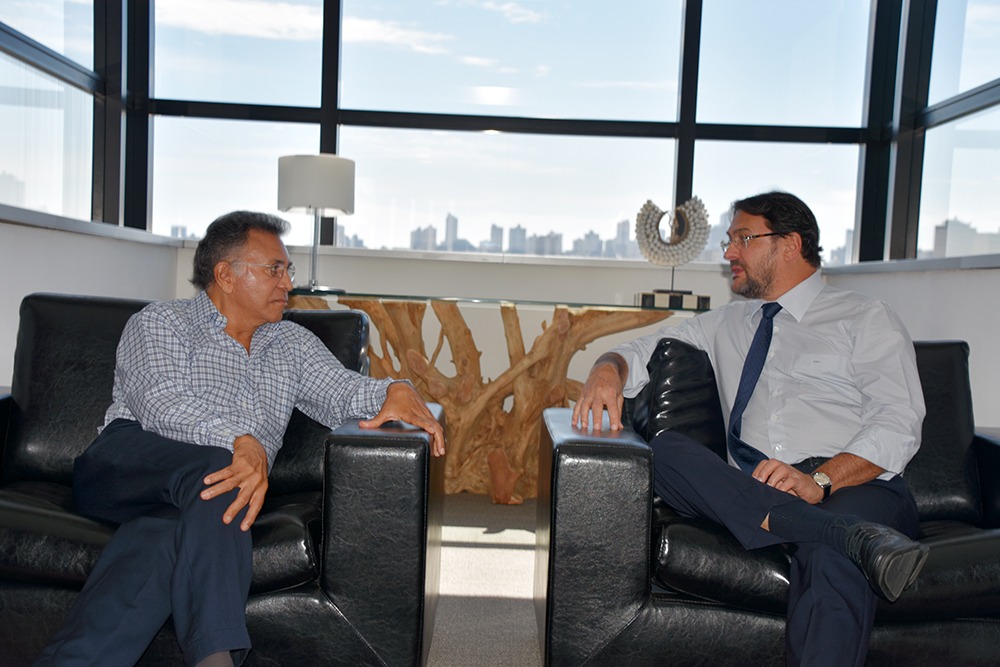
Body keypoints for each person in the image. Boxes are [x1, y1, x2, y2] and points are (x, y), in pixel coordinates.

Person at [34, 211, 445, 667]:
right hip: (128, 463)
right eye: (275, 269)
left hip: (199, 501)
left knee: (161, 540)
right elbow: (159, 403)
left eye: (287, 269)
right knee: (222, 468)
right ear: (225, 275)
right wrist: (240, 440)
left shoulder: (291, 343)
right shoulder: (162, 322)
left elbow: (341, 391)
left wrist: (394, 389)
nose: (287, 282)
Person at [572, 191, 928, 667]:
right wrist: (607, 367)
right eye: (728, 239)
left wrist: (820, 480)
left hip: (855, 486)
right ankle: (844, 534)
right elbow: (639, 350)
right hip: (755, 487)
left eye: (743, 238)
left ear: (789, 244)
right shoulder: (726, 322)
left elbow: (899, 421)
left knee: (829, 559)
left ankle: (832, 535)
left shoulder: (865, 318)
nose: (728, 252)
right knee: (666, 451)